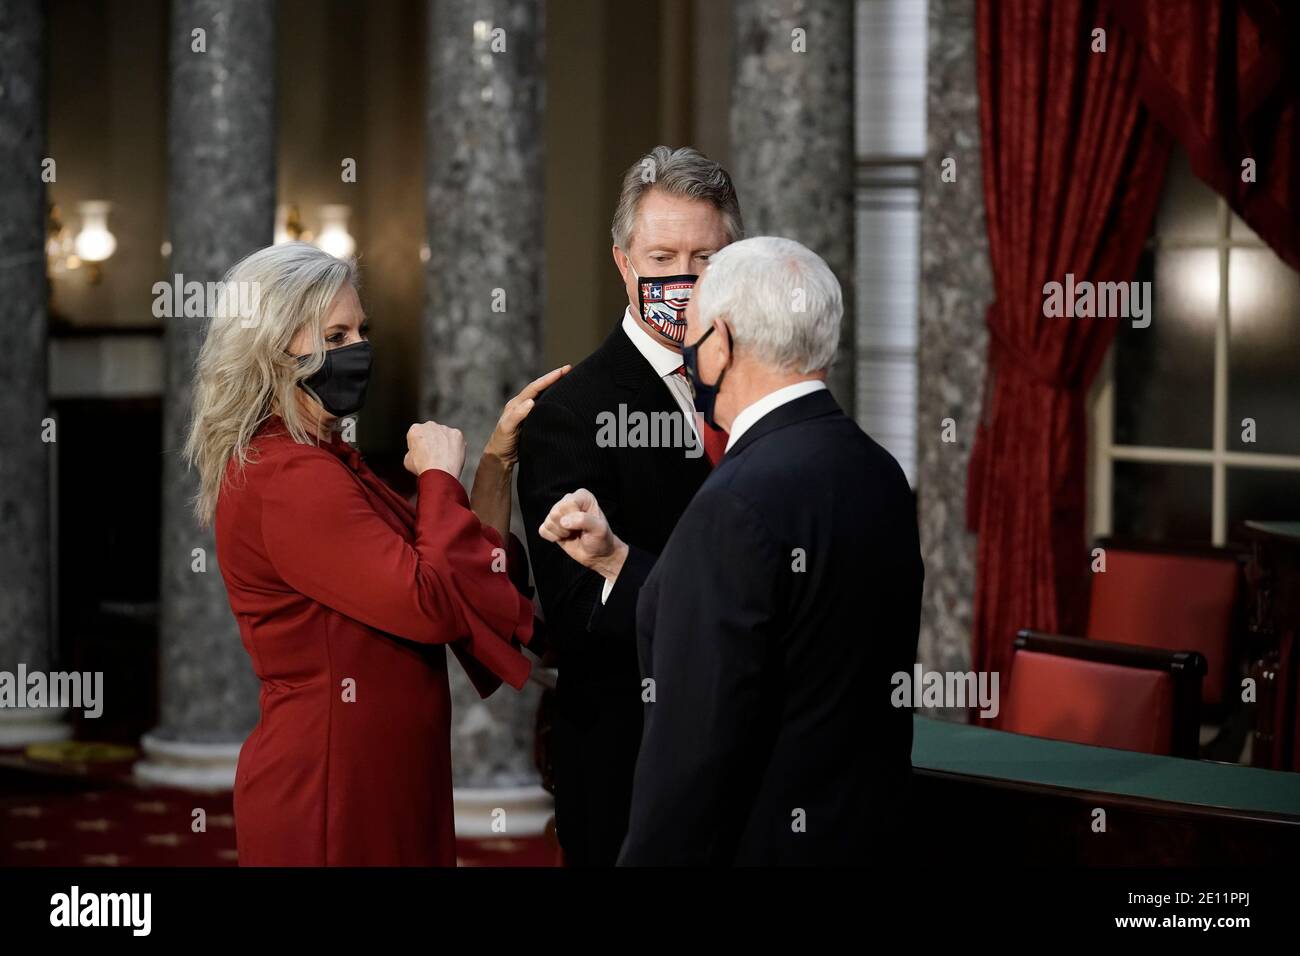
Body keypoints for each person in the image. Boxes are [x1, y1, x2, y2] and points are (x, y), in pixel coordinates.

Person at [539, 236, 924, 865]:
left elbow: (690, 756)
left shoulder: (737, 499)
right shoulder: (878, 470)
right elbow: (788, 628)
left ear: (719, 341)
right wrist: (618, 562)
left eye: (691, 335)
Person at [186, 241, 565, 865]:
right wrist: (438, 480)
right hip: (334, 780)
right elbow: (429, 603)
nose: (357, 348)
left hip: (381, 766)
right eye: (335, 335)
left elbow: (456, 569)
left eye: (361, 329)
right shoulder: (290, 477)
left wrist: (496, 462)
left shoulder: (323, 460)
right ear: (275, 350)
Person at [516, 145, 743, 865]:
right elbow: (582, 615)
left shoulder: (761, 384)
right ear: (623, 263)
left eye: (705, 260)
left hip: (749, 763)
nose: (684, 279)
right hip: (631, 766)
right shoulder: (571, 412)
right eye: (662, 258)